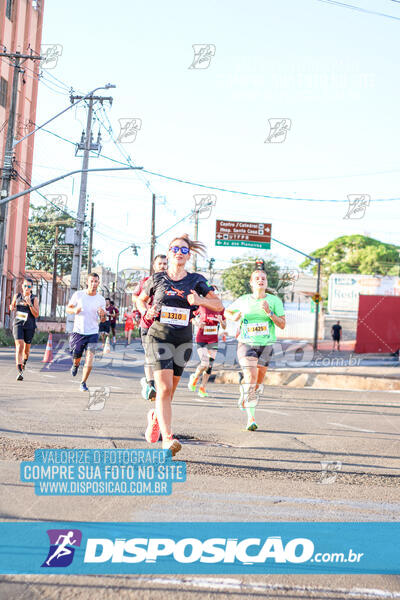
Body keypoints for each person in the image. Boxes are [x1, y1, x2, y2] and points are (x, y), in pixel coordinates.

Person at [136, 234, 223, 455]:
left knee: (170, 392)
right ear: (169, 251)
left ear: (188, 255)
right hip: (158, 336)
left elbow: (218, 304)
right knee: (163, 388)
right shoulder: (157, 279)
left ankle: (155, 417)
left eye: (184, 250)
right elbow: (139, 299)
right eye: (175, 249)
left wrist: (201, 301)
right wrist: (146, 311)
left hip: (183, 339)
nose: (179, 253)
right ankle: (167, 440)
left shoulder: (195, 280)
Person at [225, 270, 285, 431]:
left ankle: (244, 391)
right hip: (246, 343)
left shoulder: (274, 301)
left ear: (266, 282)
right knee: (251, 377)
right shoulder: (244, 300)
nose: (260, 280)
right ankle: (251, 418)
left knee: (257, 383)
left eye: (263, 278)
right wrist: (234, 317)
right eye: (257, 278)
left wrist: (269, 313)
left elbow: (282, 324)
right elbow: (227, 312)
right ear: (251, 283)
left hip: (266, 345)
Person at [134, 254, 168, 401]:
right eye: (159, 263)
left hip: (165, 326)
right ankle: (150, 385)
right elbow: (136, 298)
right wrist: (145, 311)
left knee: (162, 357)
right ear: (154, 265)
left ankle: (153, 383)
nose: (162, 266)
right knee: (149, 354)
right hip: (147, 324)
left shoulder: (172, 282)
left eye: (165, 264)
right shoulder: (146, 281)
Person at [66, 273, 106, 392]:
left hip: (93, 333)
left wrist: (102, 315)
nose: (94, 284)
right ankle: (75, 364)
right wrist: (74, 310)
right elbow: (68, 308)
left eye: (96, 281)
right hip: (78, 332)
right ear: (87, 282)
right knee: (77, 356)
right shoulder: (78, 295)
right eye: (92, 281)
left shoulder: (101, 299)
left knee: (89, 359)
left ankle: (83, 382)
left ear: (98, 283)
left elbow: (103, 320)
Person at [188, 296, 226, 398]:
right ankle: (195, 377)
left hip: (213, 340)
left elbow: (224, 325)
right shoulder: (201, 305)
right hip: (202, 339)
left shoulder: (220, 308)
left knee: (209, 365)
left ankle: (202, 388)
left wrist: (221, 321)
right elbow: (191, 317)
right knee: (204, 363)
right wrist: (197, 323)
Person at [9, 277, 40, 381]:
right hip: (18, 324)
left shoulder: (34, 299)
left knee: (26, 349)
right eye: (25, 286)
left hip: (29, 326)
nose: (26, 288)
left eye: (29, 286)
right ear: (22, 286)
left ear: (31, 288)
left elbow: (36, 314)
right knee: (19, 345)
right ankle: (19, 370)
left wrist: (29, 304)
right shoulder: (17, 295)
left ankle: (24, 363)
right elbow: (12, 306)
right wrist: (11, 307)